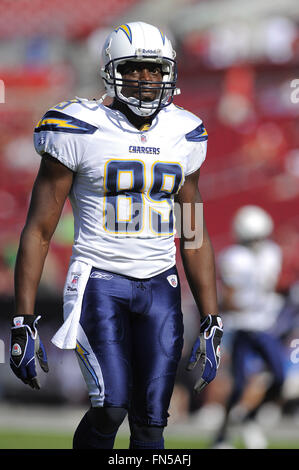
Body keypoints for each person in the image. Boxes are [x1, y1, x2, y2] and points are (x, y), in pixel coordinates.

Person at [9, 22, 223, 450]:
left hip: (161, 284)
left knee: (151, 423)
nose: (147, 80)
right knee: (110, 406)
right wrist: (23, 320)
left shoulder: (184, 132)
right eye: (136, 68)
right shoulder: (77, 126)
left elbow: (194, 232)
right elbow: (38, 229)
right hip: (98, 279)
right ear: (111, 69)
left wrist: (212, 318)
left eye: (155, 70)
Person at [213, 205, 285, 448]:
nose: (257, 243)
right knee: (240, 383)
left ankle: (250, 418)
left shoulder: (272, 252)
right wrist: (247, 304)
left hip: (266, 326)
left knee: (280, 377)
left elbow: (272, 286)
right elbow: (229, 299)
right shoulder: (233, 257)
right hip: (243, 327)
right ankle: (222, 435)